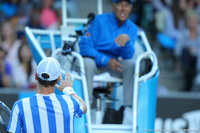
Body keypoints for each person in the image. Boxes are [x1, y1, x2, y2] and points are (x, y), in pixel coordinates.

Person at [79, 0, 138, 124]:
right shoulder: (99, 20)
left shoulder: (132, 28)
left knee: (131, 64)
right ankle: (86, 107)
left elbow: (128, 55)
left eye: (127, 5)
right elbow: (84, 46)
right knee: (87, 63)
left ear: (130, 9)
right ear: (113, 6)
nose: (123, 8)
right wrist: (105, 60)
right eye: (120, 4)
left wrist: (127, 42)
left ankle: (128, 110)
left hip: (114, 66)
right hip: (96, 63)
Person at [7, 57, 87, 133]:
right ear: (57, 80)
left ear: (35, 76)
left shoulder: (20, 105)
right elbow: (84, 107)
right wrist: (68, 90)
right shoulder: (70, 102)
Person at [174, 9, 200, 92]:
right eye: (190, 21)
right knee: (185, 51)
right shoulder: (183, 33)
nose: (192, 23)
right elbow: (177, 50)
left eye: (194, 20)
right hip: (187, 60)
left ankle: (190, 83)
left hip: (198, 59)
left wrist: (195, 50)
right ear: (187, 22)